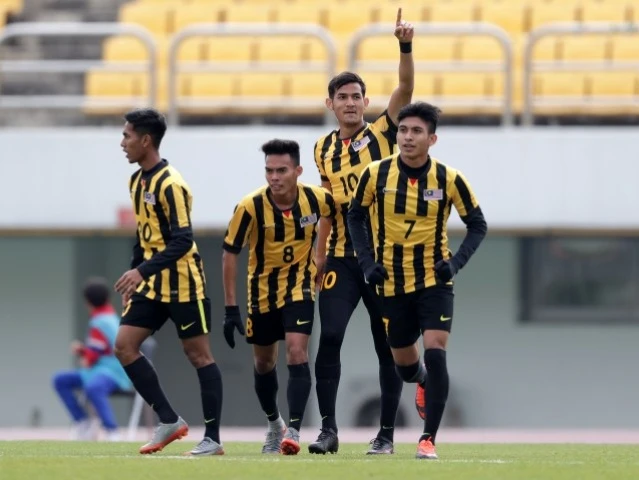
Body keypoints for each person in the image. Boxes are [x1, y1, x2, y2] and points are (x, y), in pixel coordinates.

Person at [347, 102, 488, 460]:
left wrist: (454, 264)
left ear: (432, 139)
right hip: (392, 284)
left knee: (436, 350)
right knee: (405, 366)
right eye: (403, 130)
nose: (408, 137)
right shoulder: (376, 174)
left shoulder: (449, 179)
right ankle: (420, 379)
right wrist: (366, 262)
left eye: (416, 131)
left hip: (433, 282)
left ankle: (428, 439)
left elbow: (477, 224)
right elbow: (355, 216)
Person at [309, 7, 415, 456]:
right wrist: (318, 256)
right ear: (330, 104)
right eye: (343, 97)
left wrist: (404, 46)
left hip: (383, 260)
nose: (350, 103)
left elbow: (405, 89)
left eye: (357, 96)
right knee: (330, 336)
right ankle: (327, 430)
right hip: (341, 257)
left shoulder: (383, 135)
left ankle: (386, 435)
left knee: (386, 345)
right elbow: (327, 206)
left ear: (366, 103)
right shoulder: (321, 149)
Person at [114, 108, 224, 456]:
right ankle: (168, 420)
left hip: (184, 284)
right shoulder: (136, 181)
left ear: (146, 140)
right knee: (124, 346)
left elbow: (182, 240)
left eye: (127, 136)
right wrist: (135, 276)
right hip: (151, 284)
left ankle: (212, 439)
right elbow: (143, 235)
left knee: (198, 355)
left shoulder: (171, 183)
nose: (122, 143)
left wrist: (140, 272)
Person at [222, 139, 336, 455]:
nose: (274, 177)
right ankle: (275, 424)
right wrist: (231, 308)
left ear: (298, 171)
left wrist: (322, 253)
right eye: (269, 170)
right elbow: (229, 253)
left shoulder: (316, 198)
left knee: (297, 352)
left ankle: (294, 431)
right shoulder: (250, 206)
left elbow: (335, 214)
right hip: (261, 294)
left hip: (299, 288)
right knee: (263, 362)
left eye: (281, 170)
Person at [53, 277, 132, 441]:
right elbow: (101, 349)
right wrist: (85, 351)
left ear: (87, 302)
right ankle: (83, 423)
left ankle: (111, 431)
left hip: (113, 373)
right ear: (108, 298)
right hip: (104, 370)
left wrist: (83, 354)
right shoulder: (112, 318)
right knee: (61, 380)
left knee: (92, 387)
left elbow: (91, 358)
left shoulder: (98, 322)